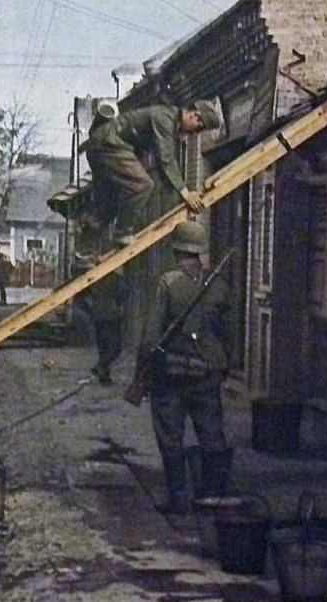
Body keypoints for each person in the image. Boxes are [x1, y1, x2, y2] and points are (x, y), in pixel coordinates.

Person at [138, 220, 237, 522]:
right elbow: (230, 333)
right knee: (211, 434)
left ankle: (178, 499)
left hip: (172, 375)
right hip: (207, 373)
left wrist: (143, 371)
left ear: (177, 250)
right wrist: (223, 366)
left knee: (170, 435)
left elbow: (151, 336)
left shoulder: (167, 283)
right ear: (200, 252)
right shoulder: (220, 286)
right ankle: (213, 497)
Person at [84, 101, 220, 247]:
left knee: (110, 204)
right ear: (194, 116)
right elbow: (166, 159)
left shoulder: (169, 122)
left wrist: (180, 197)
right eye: (199, 128)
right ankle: (122, 234)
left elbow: (164, 169)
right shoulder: (164, 118)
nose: (195, 133)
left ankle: (84, 254)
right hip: (109, 144)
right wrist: (187, 194)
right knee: (142, 185)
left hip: (102, 146)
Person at [89, 268, 126, 385]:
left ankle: (104, 376)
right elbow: (123, 294)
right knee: (115, 347)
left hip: (98, 315)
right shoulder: (116, 278)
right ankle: (100, 366)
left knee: (103, 347)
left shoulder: (95, 277)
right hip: (111, 315)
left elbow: (90, 294)